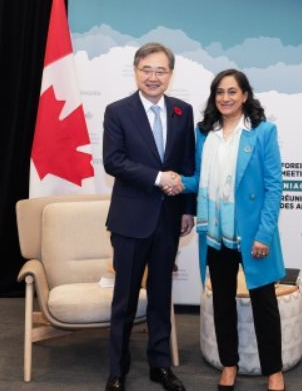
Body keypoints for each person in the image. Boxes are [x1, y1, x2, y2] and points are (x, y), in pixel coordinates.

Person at [168, 69, 286, 391]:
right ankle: (229, 365)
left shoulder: (263, 132)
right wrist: (176, 181)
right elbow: (199, 179)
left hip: (252, 234)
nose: (225, 98)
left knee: (264, 304)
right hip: (216, 233)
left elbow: (274, 186)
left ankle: (274, 371)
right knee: (221, 302)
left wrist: (264, 234)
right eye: (219, 92)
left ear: (245, 95)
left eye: (232, 91)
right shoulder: (204, 133)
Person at [102, 42, 195, 391]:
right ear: (136, 71)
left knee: (160, 296)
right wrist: (158, 178)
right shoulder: (118, 111)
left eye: (161, 71)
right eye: (147, 70)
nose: (153, 77)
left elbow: (188, 164)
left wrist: (188, 208)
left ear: (170, 75)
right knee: (124, 300)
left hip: (169, 220)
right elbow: (114, 161)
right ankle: (118, 370)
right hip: (130, 220)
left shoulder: (183, 111)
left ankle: (160, 366)